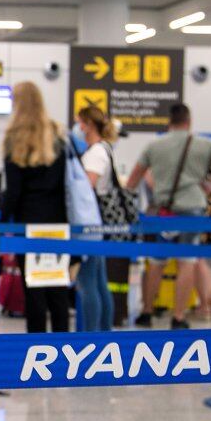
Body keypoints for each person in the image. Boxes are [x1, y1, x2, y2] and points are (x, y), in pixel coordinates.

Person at [124, 103, 211, 329]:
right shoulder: (203, 144)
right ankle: (179, 316)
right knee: (187, 262)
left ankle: (147, 312)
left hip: (163, 211)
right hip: (192, 209)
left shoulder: (154, 146)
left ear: (169, 122)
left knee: (157, 261)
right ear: (189, 121)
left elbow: (132, 181)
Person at [0, 81, 71, 333]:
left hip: (27, 221)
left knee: (34, 288)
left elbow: (14, 191)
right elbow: (65, 183)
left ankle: (36, 347)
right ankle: (64, 345)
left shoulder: (14, 138)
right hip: (57, 220)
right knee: (57, 286)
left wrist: (1, 222)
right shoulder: (57, 134)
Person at [71, 106, 116, 332]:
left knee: (88, 281)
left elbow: (86, 188)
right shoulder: (101, 149)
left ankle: (91, 334)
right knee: (99, 280)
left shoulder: (96, 152)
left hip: (90, 223)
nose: (78, 128)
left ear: (88, 124)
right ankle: (104, 331)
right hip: (96, 223)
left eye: (80, 123)